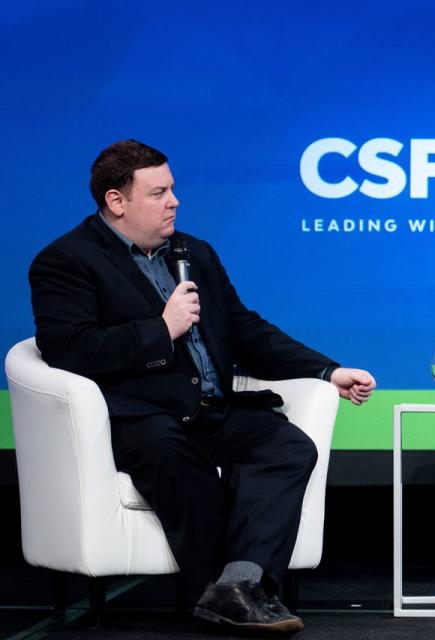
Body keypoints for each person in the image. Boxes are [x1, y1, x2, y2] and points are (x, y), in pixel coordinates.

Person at [29, 140, 377, 635]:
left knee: (288, 446)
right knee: (176, 458)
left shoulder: (194, 253)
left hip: (210, 411)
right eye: (159, 192)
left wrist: (327, 371)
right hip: (139, 417)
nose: (175, 201)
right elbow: (68, 349)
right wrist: (161, 329)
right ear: (116, 201)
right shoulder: (67, 261)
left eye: (172, 189)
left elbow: (244, 330)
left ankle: (237, 587)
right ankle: (224, 594)